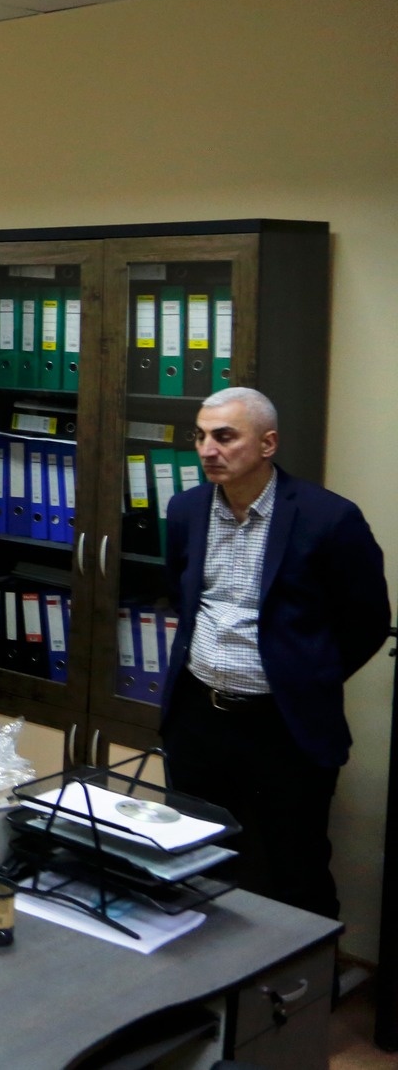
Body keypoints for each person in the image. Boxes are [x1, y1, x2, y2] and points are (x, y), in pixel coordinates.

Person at [159, 387, 389, 918]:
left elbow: (368, 621)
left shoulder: (329, 518)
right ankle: (204, 968)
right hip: (198, 718)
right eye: (201, 436)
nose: (208, 449)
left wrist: (305, 675)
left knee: (297, 869)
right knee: (196, 861)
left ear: (267, 444)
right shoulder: (186, 509)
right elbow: (181, 593)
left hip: (282, 726)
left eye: (224, 436)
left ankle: (306, 974)